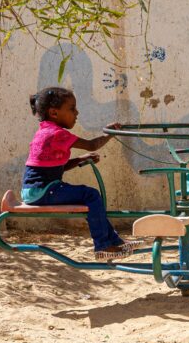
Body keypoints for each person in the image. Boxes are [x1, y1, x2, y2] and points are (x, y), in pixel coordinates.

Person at [21, 86, 134, 260]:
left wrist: (80, 159)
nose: (77, 112)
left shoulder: (44, 131)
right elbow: (92, 145)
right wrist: (110, 134)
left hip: (35, 190)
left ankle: (115, 241)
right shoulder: (57, 134)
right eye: (72, 108)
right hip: (44, 191)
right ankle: (103, 246)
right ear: (54, 113)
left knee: (89, 197)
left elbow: (58, 167)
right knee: (91, 195)